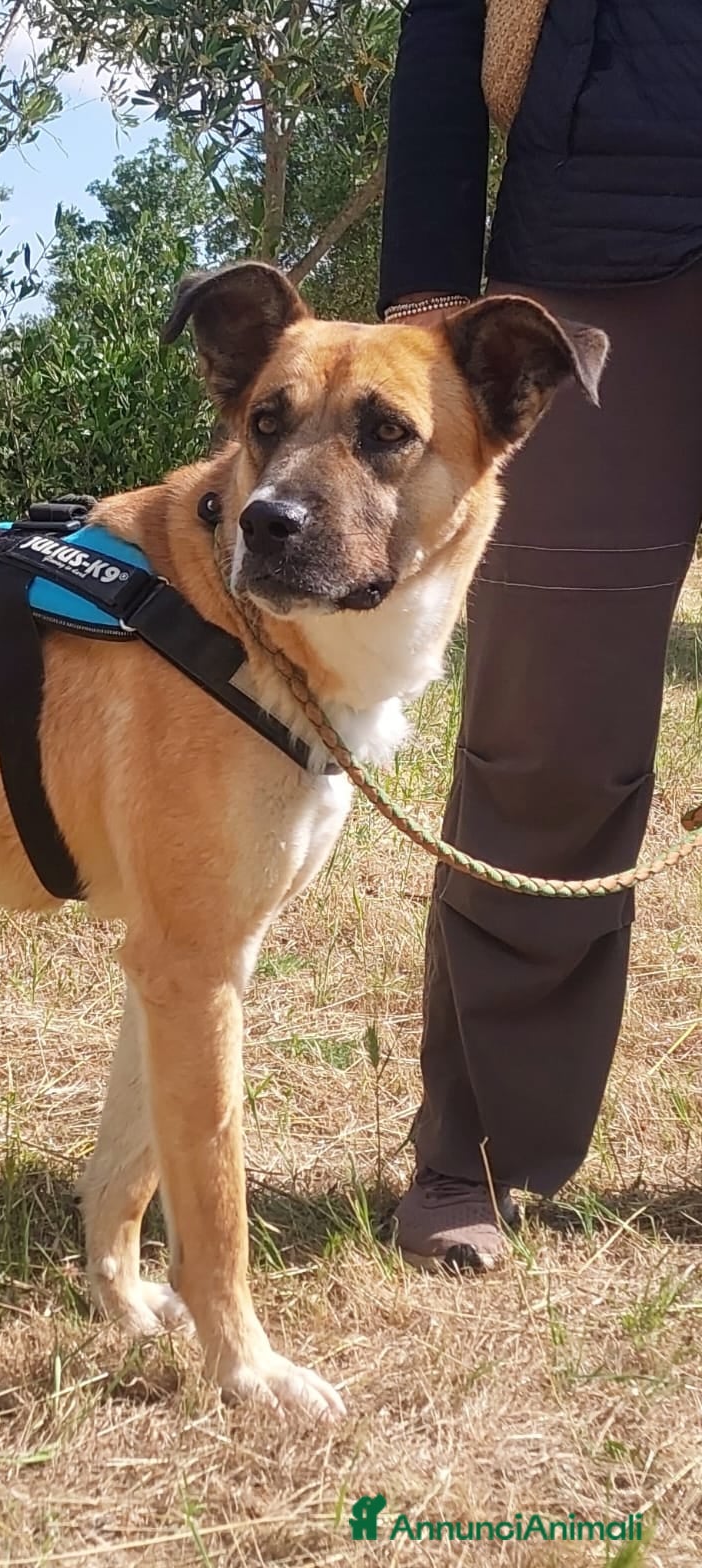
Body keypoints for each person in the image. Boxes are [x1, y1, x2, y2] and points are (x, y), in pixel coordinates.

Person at [377, 0, 702, 1270]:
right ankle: (480, 1148)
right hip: (591, 255)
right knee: (547, 731)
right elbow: (446, 35)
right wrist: (428, 295)